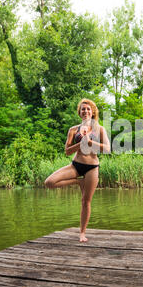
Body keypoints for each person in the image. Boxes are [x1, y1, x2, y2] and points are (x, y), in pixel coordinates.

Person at [44, 99, 110, 242]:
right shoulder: (73, 130)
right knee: (49, 182)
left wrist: (91, 142)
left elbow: (107, 149)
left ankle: (82, 233)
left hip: (92, 168)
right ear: (79, 113)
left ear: (92, 112)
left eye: (88, 109)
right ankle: (77, 182)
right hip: (76, 165)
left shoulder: (100, 129)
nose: (85, 111)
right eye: (83, 109)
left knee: (86, 201)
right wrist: (80, 144)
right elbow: (67, 151)